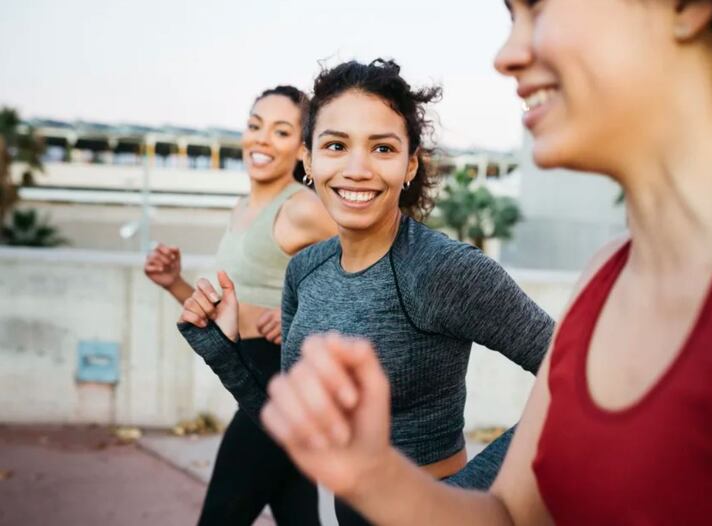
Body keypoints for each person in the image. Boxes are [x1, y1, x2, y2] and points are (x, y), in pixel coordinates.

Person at [258, 0, 712, 524]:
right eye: (512, 16)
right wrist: (373, 475)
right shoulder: (605, 279)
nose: (507, 55)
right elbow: (510, 516)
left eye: (538, 8)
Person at [177, 59, 554, 525]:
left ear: (410, 163)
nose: (357, 169)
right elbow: (301, 433)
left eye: (382, 148)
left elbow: (572, 377)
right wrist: (225, 350)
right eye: (336, 145)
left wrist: (462, 499)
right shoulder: (305, 270)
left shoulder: (441, 268)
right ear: (309, 161)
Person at [144, 85, 337, 525]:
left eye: (281, 131)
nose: (262, 140)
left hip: (281, 381)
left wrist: (305, 320)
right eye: (255, 126)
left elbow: (374, 260)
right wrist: (175, 284)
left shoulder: (301, 207)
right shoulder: (242, 207)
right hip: (251, 375)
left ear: (302, 149)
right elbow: (233, 306)